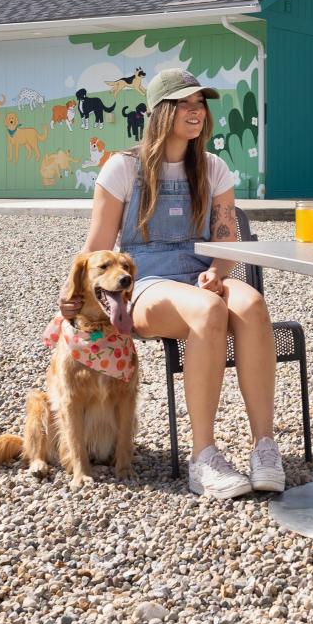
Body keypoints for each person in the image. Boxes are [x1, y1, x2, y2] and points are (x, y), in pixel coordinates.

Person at [60, 68, 284, 499]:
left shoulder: (214, 168)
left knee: (252, 304)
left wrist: (218, 271)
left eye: (200, 104)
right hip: (146, 281)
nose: (196, 112)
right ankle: (203, 457)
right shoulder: (123, 168)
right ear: (161, 111)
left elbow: (226, 238)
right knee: (208, 309)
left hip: (202, 272)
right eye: (184, 104)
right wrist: (72, 299)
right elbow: (97, 248)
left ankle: (264, 447)